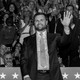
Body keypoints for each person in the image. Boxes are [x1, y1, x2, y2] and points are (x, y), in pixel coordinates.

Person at [20, 12, 73, 80]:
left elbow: (65, 41)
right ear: (34, 23)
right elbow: (24, 59)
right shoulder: (27, 40)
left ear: (46, 22)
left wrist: (66, 27)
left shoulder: (54, 37)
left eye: (42, 20)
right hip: (34, 76)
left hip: (53, 76)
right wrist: (26, 75)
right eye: (37, 20)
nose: (39, 22)